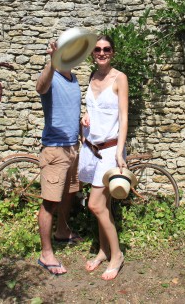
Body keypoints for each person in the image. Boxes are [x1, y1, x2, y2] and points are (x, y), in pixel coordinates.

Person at [78, 34, 129, 281]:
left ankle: (117, 255)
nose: (101, 52)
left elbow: (124, 115)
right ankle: (102, 250)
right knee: (104, 206)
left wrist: (120, 152)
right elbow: (92, 107)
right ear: (92, 53)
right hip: (91, 148)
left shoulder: (120, 79)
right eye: (97, 49)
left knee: (95, 204)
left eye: (106, 48)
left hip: (110, 150)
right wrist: (85, 116)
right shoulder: (92, 77)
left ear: (113, 52)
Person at [36, 41, 81, 275]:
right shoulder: (52, 76)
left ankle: (62, 231)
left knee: (69, 193)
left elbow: (72, 112)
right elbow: (40, 87)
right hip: (55, 149)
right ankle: (46, 254)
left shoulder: (75, 81)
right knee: (50, 203)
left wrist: (82, 127)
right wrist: (51, 63)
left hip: (73, 148)